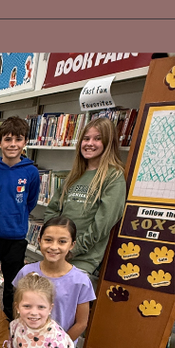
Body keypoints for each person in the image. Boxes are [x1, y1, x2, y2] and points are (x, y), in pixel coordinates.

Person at [40, 116, 127, 281]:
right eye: (86, 139)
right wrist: (52, 241)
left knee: (71, 304)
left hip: (82, 259)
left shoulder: (113, 175)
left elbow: (103, 224)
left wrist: (73, 248)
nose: (90, 143)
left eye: (97, 139)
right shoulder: (74, 175)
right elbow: (53, 209)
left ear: (108, 143)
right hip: (58, 252)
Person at [0, 115, 40, 321]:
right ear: (0, 141)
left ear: (25, 142)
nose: (13, 144)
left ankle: (11, 326)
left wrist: (15, 217)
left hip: (16, 238)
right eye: (8, 139)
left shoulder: (31, 172)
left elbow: (30, 202)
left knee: (13, 286)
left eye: (18, 139)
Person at [13, 217, 95, 343]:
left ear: (72, 244)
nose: (54, 247)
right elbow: (17, 307)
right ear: (39, 241)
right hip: (27, 342)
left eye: (62, 241)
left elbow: (81, 323)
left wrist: (59, 345)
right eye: (48, 240)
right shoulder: (25, 272)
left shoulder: (80, 281)